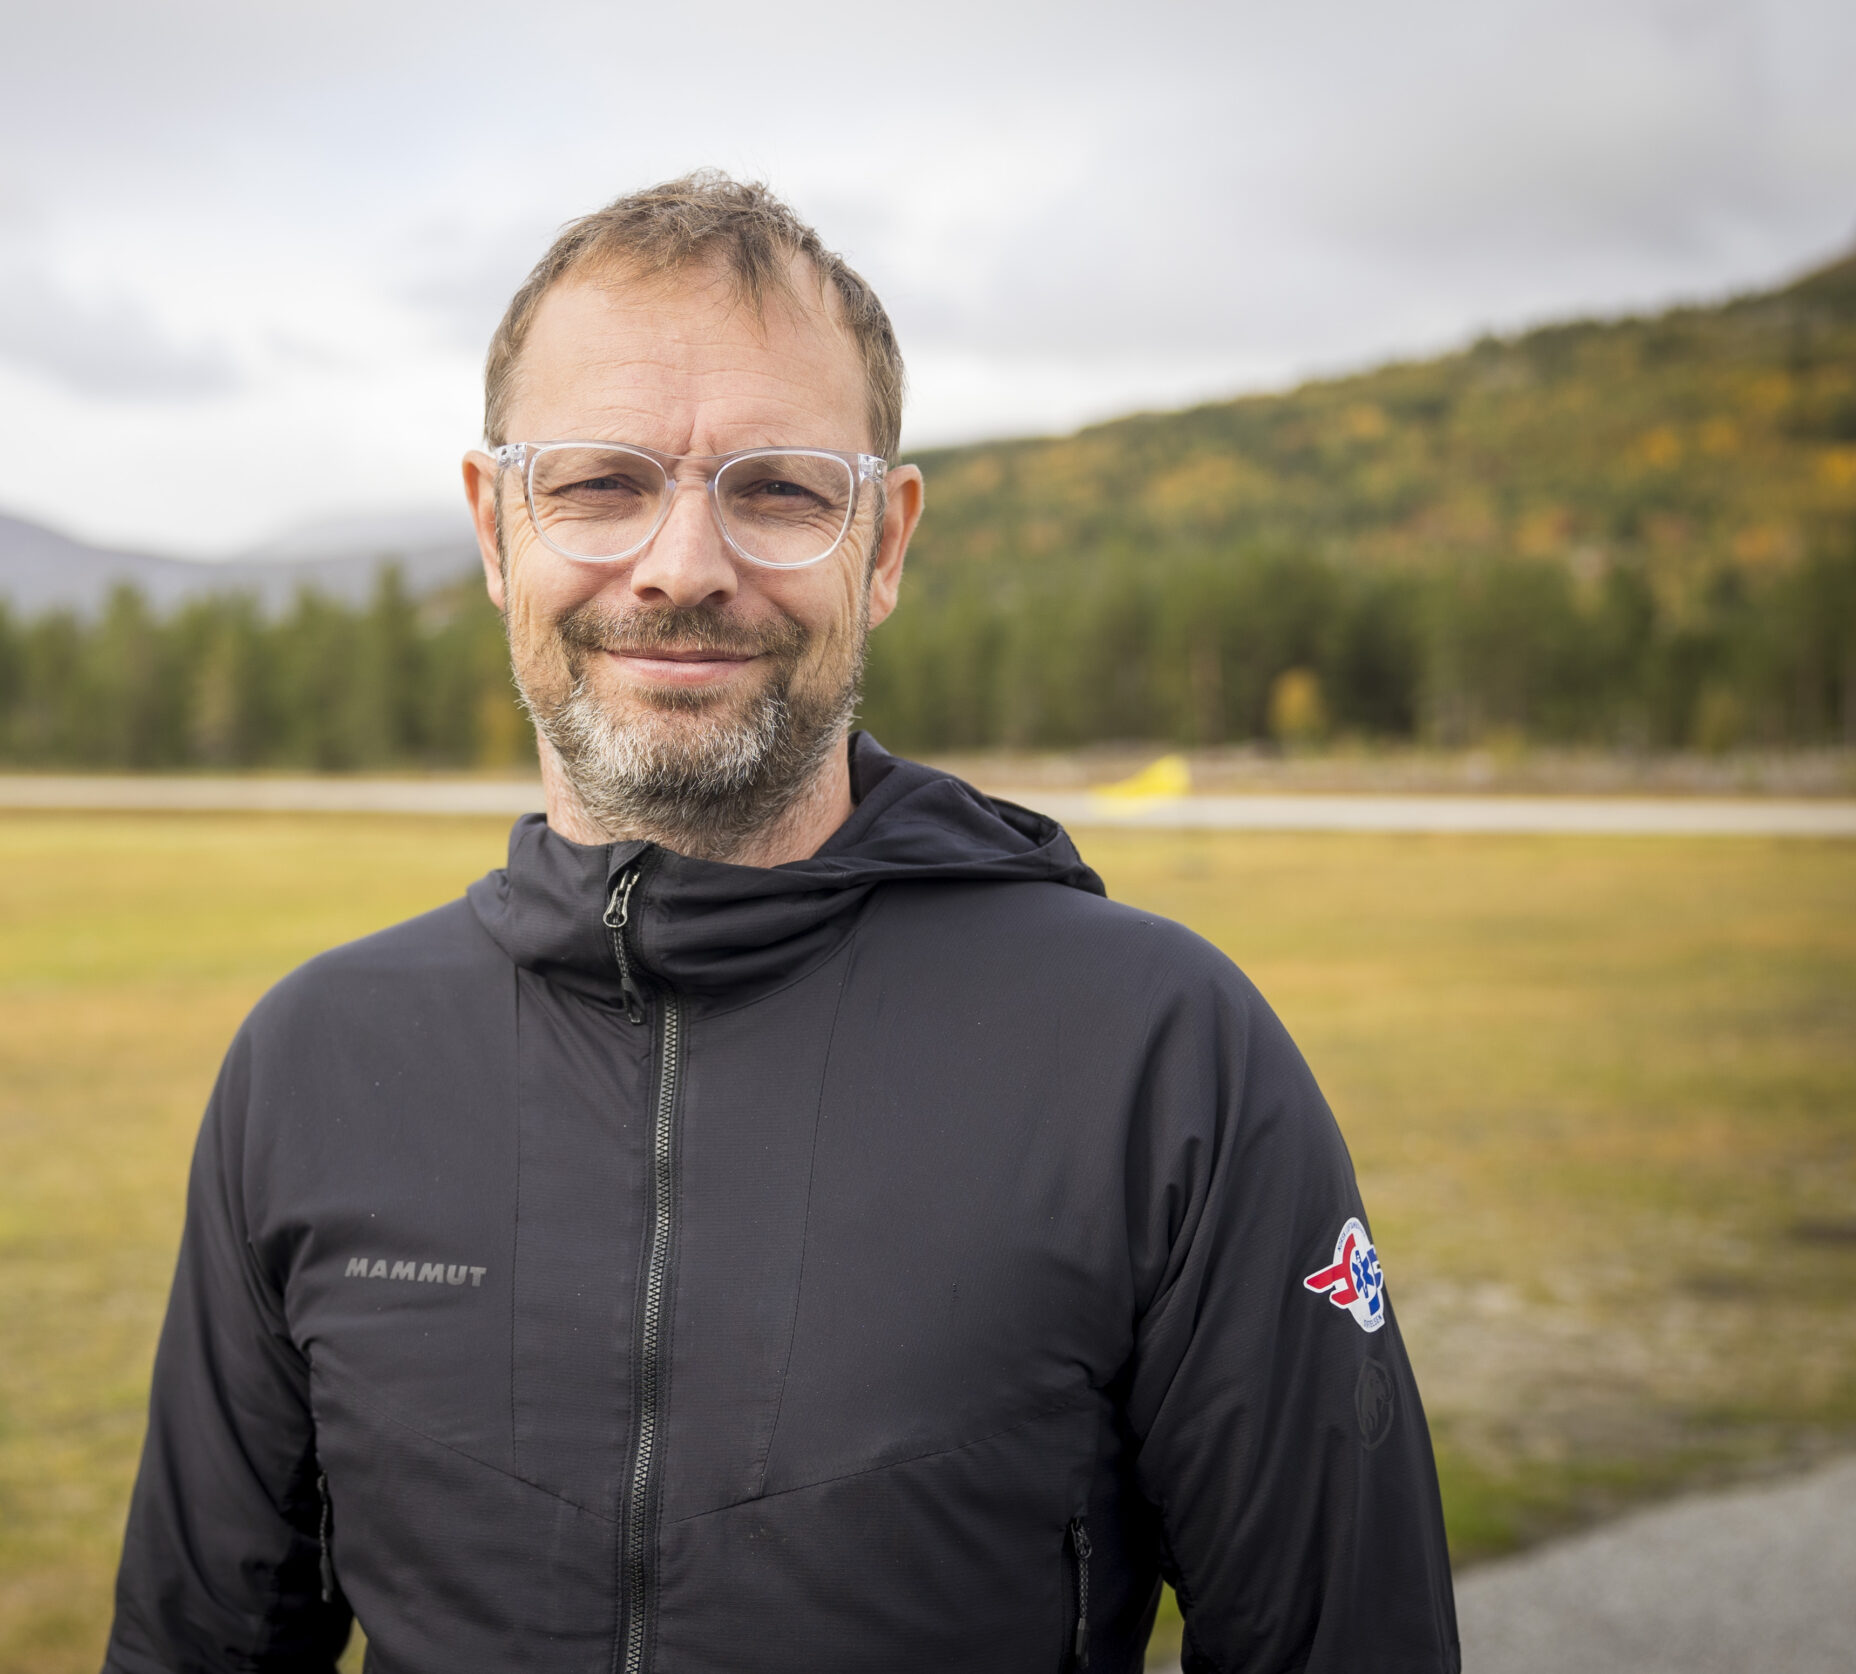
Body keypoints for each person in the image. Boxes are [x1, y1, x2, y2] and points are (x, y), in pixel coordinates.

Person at [103, 173, 1458, 1674]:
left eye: (780, 489)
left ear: (883, 543)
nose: (683, 566)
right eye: (602, 481)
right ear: (497, 527)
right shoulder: (316, 1063)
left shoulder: (1158, 1058)